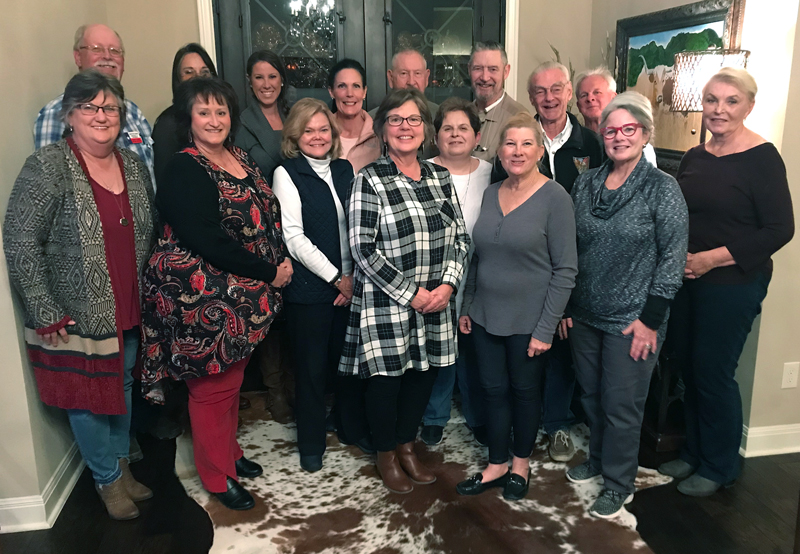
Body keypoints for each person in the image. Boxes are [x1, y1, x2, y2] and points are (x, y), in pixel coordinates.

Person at [4, 71, 156, 520]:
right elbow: (19, 240)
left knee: (123, 384)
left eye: (110, 107)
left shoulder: (131, 164)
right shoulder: (47, 166)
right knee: (86, 396)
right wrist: (46, 309)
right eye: (89, 107)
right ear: (69, 114)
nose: (101, 116)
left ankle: (122, 466)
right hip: (74, 309)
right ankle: (107, 481)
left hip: (127, 300)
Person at [140, 78, 291, 511]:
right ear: (188, 120)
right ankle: (216, 475)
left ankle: (229, 454)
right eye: (204, 112)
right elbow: (208, 240)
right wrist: (269, 270)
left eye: (221, 111)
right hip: (201, 301)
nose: (214, 120)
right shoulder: (185, 167)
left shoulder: (238, 156)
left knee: (232, 380)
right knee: (211, 388)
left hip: (240, 299)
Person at [657, 68, 794, 497]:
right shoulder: (696, 156)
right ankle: (696, 452)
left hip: (733, 282)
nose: (719, 109)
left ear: (748, 106)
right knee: (690, 367)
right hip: (688, 279)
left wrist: (711, 260)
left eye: (731, 101)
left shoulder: (763, 158)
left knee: (714, 372)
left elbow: (779, 229)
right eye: (712, 99)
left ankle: (720, 465)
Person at [563, 91, 688, 518]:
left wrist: (650, 322)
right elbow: (571, 249)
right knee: (593, 397)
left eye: (628, 129)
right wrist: (565, 306)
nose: (618, 137)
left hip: (632, 321)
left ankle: (619, 482)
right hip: (584, 314)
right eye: (611, 129)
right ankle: (598, 459)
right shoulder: (587, 182)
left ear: (645, 133)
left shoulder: (662, 189)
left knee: (623, 404)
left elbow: (673, 260)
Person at [339, 88, 470, 494]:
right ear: (382, 130)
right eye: (395, 120)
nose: (405, 127)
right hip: (388, 304)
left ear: (425, 129)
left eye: (413, 119)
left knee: (423, 376)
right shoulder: (370, 179)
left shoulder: (439, 176)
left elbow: (460, 238)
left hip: (437, 301)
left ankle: (406, 446)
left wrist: (447, 284)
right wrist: (411, 293)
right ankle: (385, 454)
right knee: (387, 382)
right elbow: (362, 248)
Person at [456, 112, 577, 501]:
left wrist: (546, 329)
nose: (517, 151)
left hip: (530, 320)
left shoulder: (555, 197)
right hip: (486, 315)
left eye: (527, 143)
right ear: (499, 150)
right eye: (510, 143)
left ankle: (520, 463)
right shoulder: (492, 193)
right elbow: (479, 257)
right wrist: (468, 305)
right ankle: (496, 462)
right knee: (491, 390)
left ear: (540, 151)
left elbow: (565, 270)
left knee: (524, 392)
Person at [271, 98, 364, 472]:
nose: (317, 136)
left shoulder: (344, 169)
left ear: (333, 133)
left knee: (349, 366)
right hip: (312, 291)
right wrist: (336, 279)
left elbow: (360, 223)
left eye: (323, 129)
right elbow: (294, 238)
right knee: (310, 372)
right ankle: (311, 443)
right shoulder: (286, 173)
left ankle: (347, 426)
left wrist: (353, 278)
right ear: (295, 135)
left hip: (351, 285)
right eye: (308, 130)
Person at [527, 61, 603, 464]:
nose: (549, 98)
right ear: (531, 98)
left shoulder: (591, 145)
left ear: (569, 93)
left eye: (557, 89)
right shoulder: (521, 140)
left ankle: (556, 425)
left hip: (573, 268)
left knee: (561, 345)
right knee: (526, 345)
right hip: (529, 265)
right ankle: (522, 420)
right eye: (540, 91)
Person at [420, 98, 491, 447]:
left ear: (477, 135)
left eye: (463, 127)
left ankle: (478, 415)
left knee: (475, 349)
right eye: (447, 128)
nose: (455, 134)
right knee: (439, 349)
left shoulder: (492, 172)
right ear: (436, 135)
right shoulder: (421, 171)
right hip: (433, 277)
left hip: (482, 274)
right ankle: (435, 414)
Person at [235, 50, 295, 423]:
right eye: (259, 77)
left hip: (298, 223)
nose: (267, 84)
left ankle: (299, 385)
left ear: (282, 80)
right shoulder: (240, 123)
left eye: (272, 76)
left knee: (297, 313)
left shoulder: (295, 116)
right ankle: (275, 392)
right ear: (249, 81)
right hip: (262, 229)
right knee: (270, 314)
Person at [34, 24, 154, 184]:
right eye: (97, 49)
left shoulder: (134, 112)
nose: (107, 56)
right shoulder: (57, 112)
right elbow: (49, 184)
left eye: (114, 51)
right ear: (78, 57)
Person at [152, 43, 217, 186]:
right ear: (178, 80)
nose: (198, 78)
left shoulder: (222, 119)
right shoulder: (167, 124)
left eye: (204, 72)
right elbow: (165, 183)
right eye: (189, 72)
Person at [575, 66, 657, 166]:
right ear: (578, 106)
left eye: (597, 92)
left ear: (613, 98)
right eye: (584, 95)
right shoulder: (573, 142)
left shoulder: (637, 146)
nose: (590, 98)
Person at [468, 41, 528, 162]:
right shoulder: (462, 115)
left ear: (506, 71)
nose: (485, 77)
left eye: (493, 69)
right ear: (469, 70)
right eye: (478, 68)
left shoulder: (518, 118)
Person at [328, 59, 381, 173]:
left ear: (364, 92)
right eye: (342, 86)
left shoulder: (380, 135)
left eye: (356, 86)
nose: (350, 94)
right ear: (331, 92)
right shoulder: (319, 135)